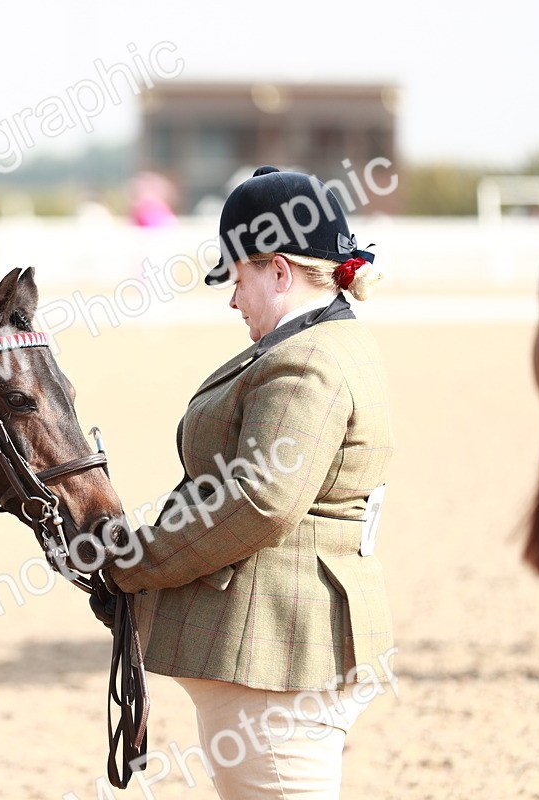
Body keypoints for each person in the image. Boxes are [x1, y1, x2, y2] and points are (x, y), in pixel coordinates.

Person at [107, 166, 394, 799]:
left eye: (239, 278)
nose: (233, 299)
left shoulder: (308, 362)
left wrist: (136, 560)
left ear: (280, 271)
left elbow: (261, 500)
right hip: (280, 647)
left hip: (279, 650)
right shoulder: (317, 343)